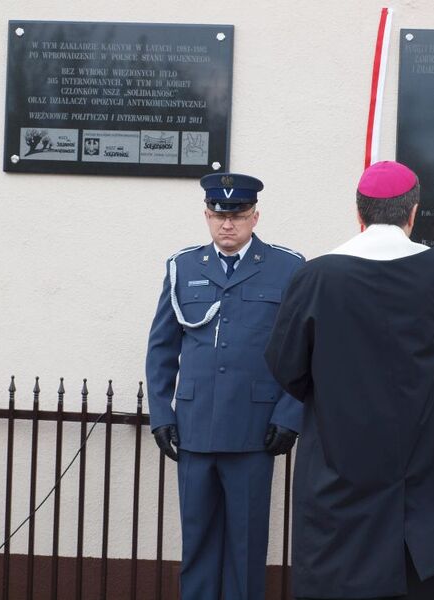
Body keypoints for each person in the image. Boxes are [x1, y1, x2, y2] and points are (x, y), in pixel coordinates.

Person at [264, 161, 434, 600]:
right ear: (412, 214)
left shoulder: (316, 277)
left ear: (359, 215)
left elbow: (284, 365)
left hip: (339, 474)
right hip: (415, 482)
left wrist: (333, 397)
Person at [145, 172, 304, 600]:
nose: (226, 224)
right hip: (194, 428)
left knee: (246, 546)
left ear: (255, 216)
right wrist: (162, 414)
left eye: (237, 215)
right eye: (218, 215)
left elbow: (303, 350)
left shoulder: (287, 267)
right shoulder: (183, 266)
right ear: (206, 215)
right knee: (197, 542)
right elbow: (162, 347)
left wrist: (290, 415)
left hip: (255, 430)